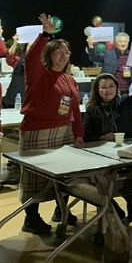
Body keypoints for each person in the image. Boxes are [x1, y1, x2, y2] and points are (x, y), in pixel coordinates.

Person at [20, 13, 84, 235]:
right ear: (49, 53)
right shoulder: (38, 75)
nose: (64, 55)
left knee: (64, 175)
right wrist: (45, 35)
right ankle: (31, 218)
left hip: (64, 132)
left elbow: (74, 109)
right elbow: (31, 58)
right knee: (34, 177)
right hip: (38, 131)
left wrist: (78, 133)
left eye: (67, 52)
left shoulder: (70, 79)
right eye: (59, 51)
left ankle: (61, 210)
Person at [83, 64, 132, 223]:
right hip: (102, 154)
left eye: (111, 86)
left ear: (117, 88)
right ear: (97, 90)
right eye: (103, 87)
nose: (107, 90)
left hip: (126, 150)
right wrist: (102, 137)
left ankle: (130, 201)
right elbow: (86, 134)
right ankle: (114, 208)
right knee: (100, 179)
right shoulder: (92, 109)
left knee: (122, 174)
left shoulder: (123, 102)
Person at [3, 32, 27, 109]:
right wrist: (15, 42)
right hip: (15, 97)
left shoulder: (40, 61)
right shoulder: (18, 60)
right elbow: (10, 57)